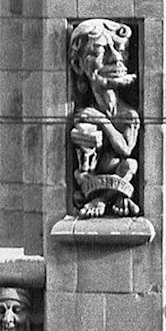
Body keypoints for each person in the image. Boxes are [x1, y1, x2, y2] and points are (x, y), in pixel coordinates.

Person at [68, 18, 140, 218]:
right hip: (93, 176)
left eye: (121, 50)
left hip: (118, 171)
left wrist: (103, 122)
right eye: (100, 51)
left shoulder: (129, 115)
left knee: (129, 164)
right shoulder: (85, 112)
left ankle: (101, 199)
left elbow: (126, 149)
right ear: (78, 64)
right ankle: (115, 196)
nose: (116, 58)